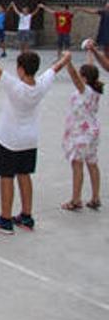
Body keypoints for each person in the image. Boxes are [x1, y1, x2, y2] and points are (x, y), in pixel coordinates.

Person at [0, 33, 71, 234]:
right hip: (29, 140)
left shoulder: (15, 87)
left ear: (20, 69)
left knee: (6, 177)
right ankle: (26, 216)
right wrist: (66, 57)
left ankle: (5, 218)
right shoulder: (41, 85)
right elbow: (55, 68)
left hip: (9, 139)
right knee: (24, 175)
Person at [60, 45, 102, 212]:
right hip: (92, 132)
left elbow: (75, 77)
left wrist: (67, 62)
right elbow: (89, 69)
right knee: (92, 163)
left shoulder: (84, 91)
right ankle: (95, 196)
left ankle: (76, 199)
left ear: (84, 78)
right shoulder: (95, 90)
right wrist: (90, 52)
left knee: (77, 165)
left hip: (80, 133)